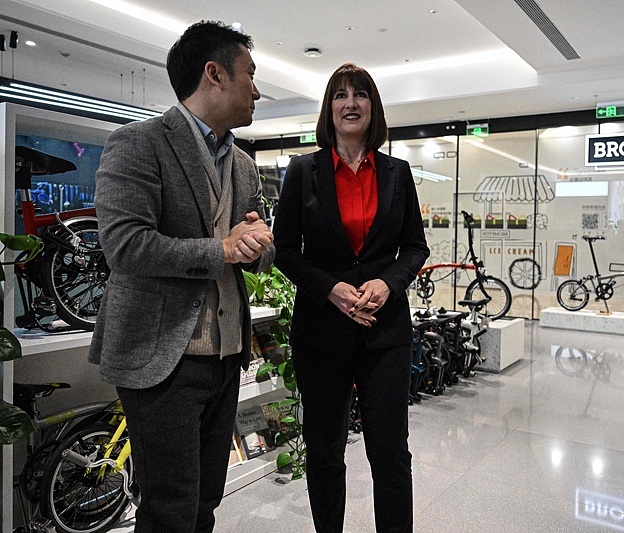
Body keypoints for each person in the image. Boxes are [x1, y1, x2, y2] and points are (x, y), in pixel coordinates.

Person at [88, 21, 275, 532]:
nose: (257, 91)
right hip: (161, 356)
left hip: (227, 355)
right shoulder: (139, 142)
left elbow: (250, 242)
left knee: (205, 501)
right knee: (169, 505)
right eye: (250, 75)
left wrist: (259, 246)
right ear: (214, 75)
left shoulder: (241, 163)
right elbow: (125, 245)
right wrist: (222, 248)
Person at [272, 63, 429, 533]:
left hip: (386, 334)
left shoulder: (397, 172)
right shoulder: (303, 171)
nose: (350, 103)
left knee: (390, 454)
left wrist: (388, 283)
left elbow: (416, 246)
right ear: (329, 108)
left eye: (360, 94)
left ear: (373, 107)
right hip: (322, 332)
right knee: (324, 453)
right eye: (340, 95)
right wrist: (329, 288)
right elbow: (284, 250)